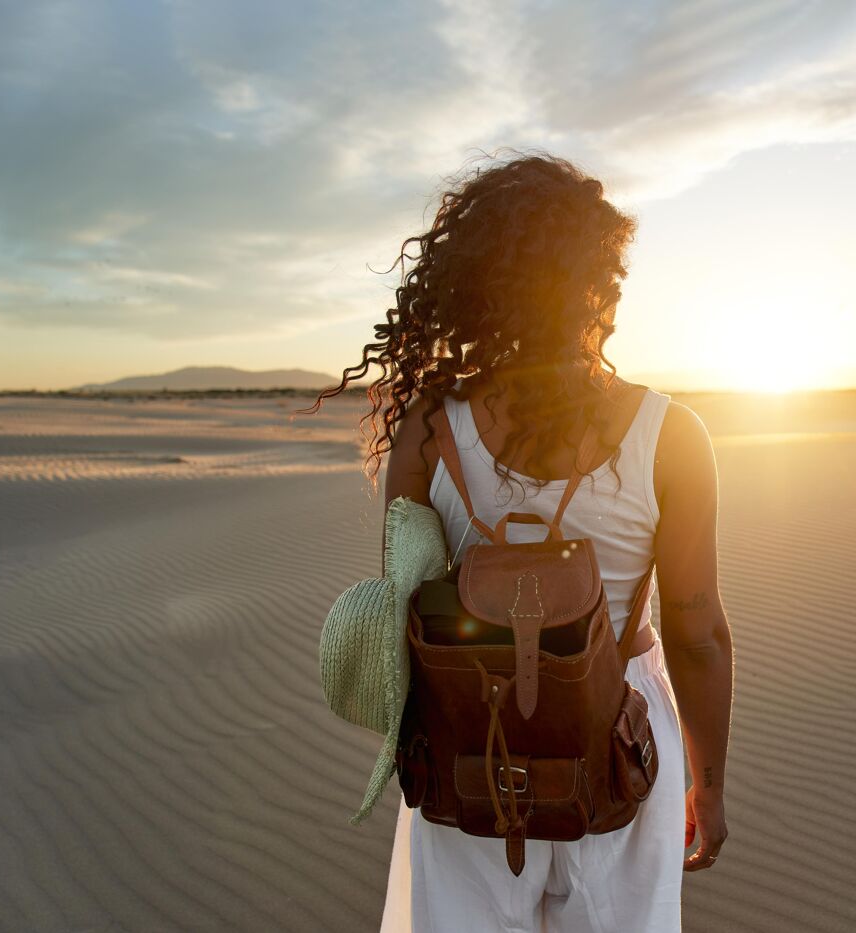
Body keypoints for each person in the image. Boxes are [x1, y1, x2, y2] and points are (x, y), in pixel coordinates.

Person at [311, 151, 733, 932]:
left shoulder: (431, 426)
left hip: (471, 746)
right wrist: (706, 781)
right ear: (597, 282)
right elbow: (698, 628)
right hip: (622, 748)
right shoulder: (669, 433)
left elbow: (406, 598)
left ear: (478, 284)